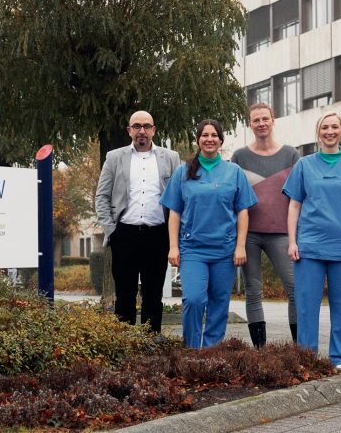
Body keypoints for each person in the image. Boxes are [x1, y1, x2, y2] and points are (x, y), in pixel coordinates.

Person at [283, 112, 341, 370]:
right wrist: (292, 241)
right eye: (325, 127)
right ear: (318, 132)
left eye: (335, 127)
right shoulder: (304, 165)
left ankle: (339, 358)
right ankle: (306, 358)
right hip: (309, 245)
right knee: (306, 307)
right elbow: (294, 206)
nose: (330, 131)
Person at [160, 119, 257, 348]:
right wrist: (173, 247)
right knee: (194, 299)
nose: (209, 139)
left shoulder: (234, 172)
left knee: (219, 302)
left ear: (220, 140)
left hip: (225, 250)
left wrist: (240, 246)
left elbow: (243, 212)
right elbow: (174, 213)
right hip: (193, 249)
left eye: (214, 135)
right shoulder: (183, 172)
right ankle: (192, 350)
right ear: (198, 140)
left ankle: (211, 351)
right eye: (205, 135)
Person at [95, 110, 181, 333]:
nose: (141, 131)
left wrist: (174, 236)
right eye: (136, 126)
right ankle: (124, 343)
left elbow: (180, 197)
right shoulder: (114, 158)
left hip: (158, 234)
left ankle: (152, 341)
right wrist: (111, 231)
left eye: (146, 126)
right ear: (129, 130)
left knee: (153, 294)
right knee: (124, 293)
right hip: (124, 235)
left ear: (154, 130)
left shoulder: (171, 158)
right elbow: (102, 196)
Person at [231, 103, 298, 347]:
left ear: (273, 120)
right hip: (248, 234)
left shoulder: (291, 154)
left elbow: (298, 197)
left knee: (294, 288)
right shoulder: (239, 156)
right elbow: (233, 195)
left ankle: (299, 348)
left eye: (265, 119)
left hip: (281, 233)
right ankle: (260, 351)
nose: (261, 123)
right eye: (255, 120)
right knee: (253, 290)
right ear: (250, 124)